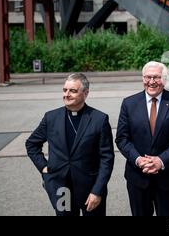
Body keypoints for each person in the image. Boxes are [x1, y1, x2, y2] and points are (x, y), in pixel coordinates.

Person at [25, 73, 114, 216]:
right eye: (65, 90)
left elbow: (107, 158)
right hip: (61, 188)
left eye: (73, 91)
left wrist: (97, 190)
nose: (67, 94)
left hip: (90, 188)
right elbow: (31, 144)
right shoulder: (51, 117)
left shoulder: (99, 119)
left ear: (85, 93)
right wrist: (43, 167)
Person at [116, 62, 169, 216]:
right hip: (137, 176)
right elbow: (122, 139)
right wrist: (138, 159)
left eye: (156, 77)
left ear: (164, 79)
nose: (151, 81)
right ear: (143, 78)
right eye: (148, 77)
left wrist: (160, 160)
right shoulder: (129, 103)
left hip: (167, 176)